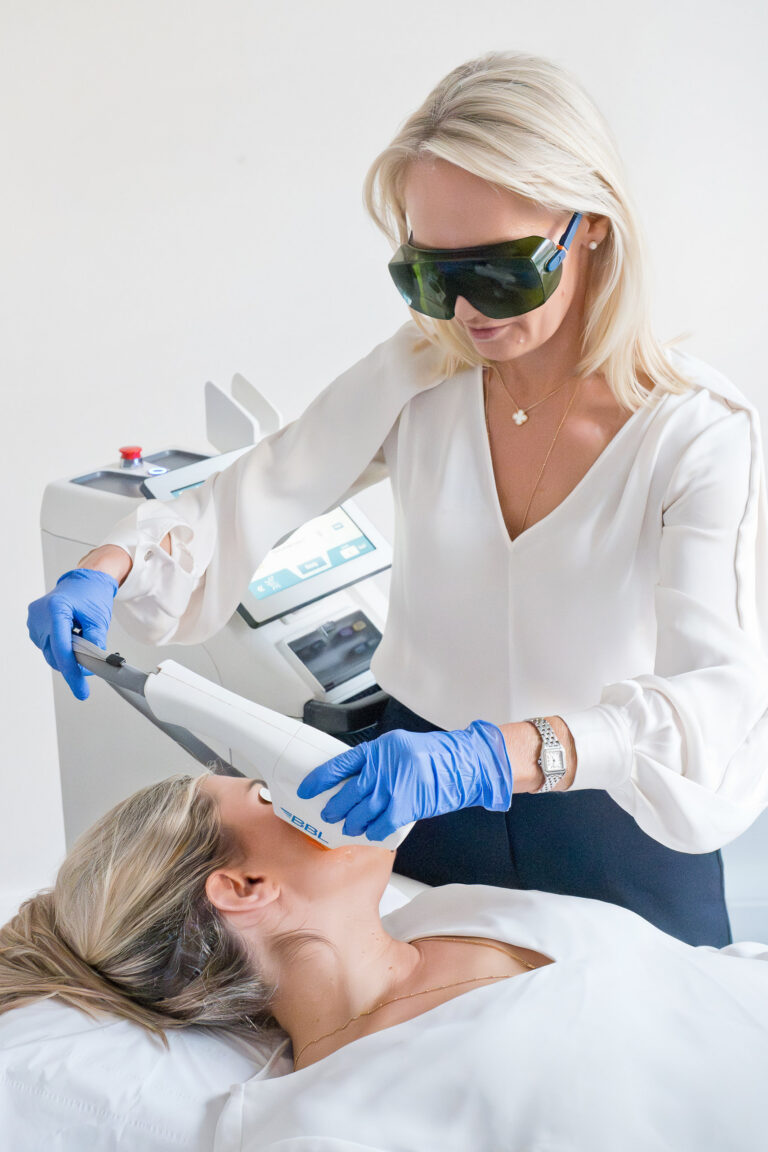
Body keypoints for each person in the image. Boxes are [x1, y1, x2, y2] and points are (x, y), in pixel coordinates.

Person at [26, 50, 768, 947]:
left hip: (614, 820)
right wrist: (109, 565)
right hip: (423, 813)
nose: (462, 312)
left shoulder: (695, 433)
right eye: (427, 274)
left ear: (594, 228)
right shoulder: (422, 373)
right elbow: (257, 485)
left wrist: (494, 756)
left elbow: (714, 699)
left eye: (499, 274)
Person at [1, 771, 766, 1152]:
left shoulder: (451, 907)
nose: (315, 779)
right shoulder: (332, 1123)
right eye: (270, 793)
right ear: (242, 887)